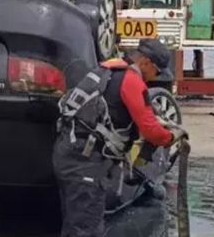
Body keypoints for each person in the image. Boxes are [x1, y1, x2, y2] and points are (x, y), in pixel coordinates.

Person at [53, 38, 187, 237]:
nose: (154, 78)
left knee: (76, 224)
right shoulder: (132, 81)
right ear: (146, 63)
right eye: (156, 72)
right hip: (85, 164)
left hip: (70, 156)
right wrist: (172, 136)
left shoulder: (107, 72)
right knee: (85, 230)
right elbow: (151, 131)